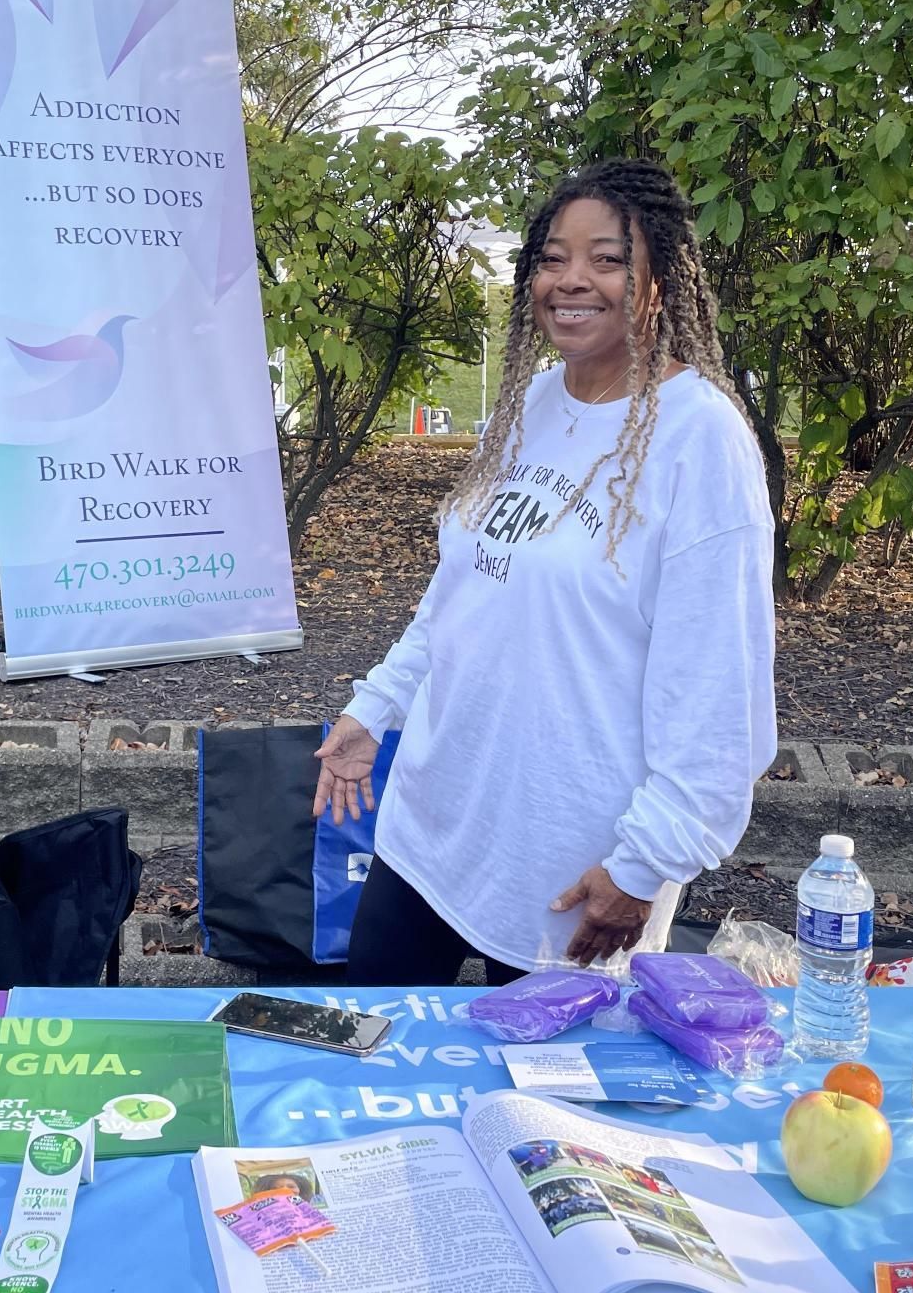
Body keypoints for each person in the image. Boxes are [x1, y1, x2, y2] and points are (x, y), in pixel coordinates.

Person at [314, 157, 777, 986]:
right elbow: (463, 591)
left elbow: (720, 695)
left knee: (539, 1110)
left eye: (607, 259)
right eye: (553, 257)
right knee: (378, 1067)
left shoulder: (699, 441)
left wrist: (643, 868)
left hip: (575, 868)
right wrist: (374, 708)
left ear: (659, 282)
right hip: (433, 824)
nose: (573, 279)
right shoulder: (530, 403)